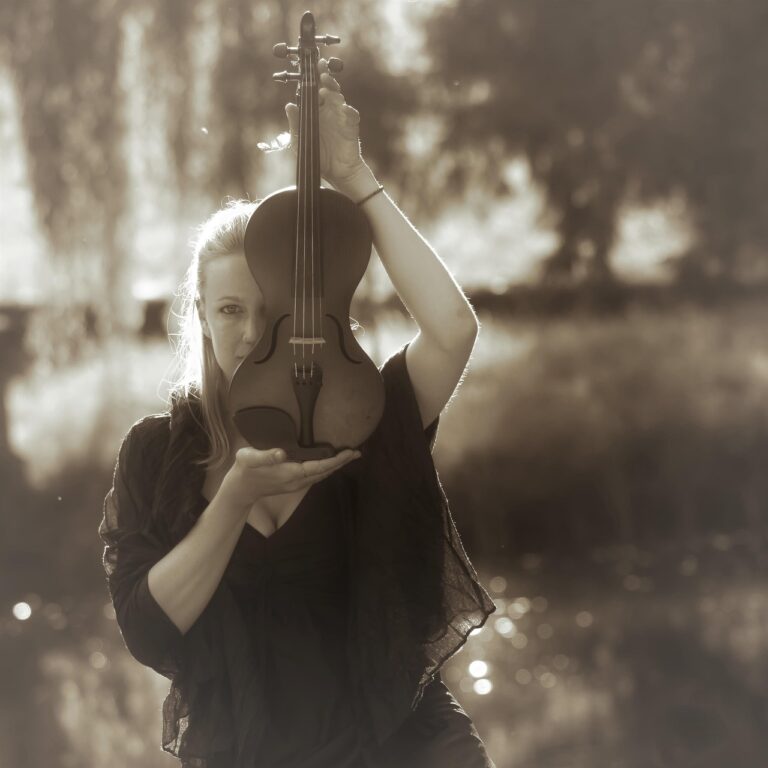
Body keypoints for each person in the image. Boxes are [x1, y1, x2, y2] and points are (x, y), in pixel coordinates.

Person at [98, 58, 496, 768]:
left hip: (402, 747)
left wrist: (354, 178)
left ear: (302, 310)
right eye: (230, 310)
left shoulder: (358, 411)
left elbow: (452, 330)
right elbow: (150, 630)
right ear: (201, 316)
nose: (253, 332)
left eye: (271, 308)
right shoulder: (155, 454)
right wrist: (234, 500)